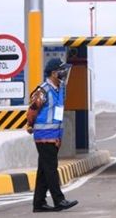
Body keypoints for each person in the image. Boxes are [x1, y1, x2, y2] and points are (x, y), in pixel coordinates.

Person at [26, 58, 79, 213]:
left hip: (55, 134)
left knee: (44, 170)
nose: (64, 73)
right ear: (54, 73)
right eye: (61, 70)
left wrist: (59, 134)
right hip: (43, 135)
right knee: (51, 168)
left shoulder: (61, 88)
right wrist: (30, 124)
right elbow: (32, 110)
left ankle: (39, 203)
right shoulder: (42, 91)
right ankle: (59, 199)